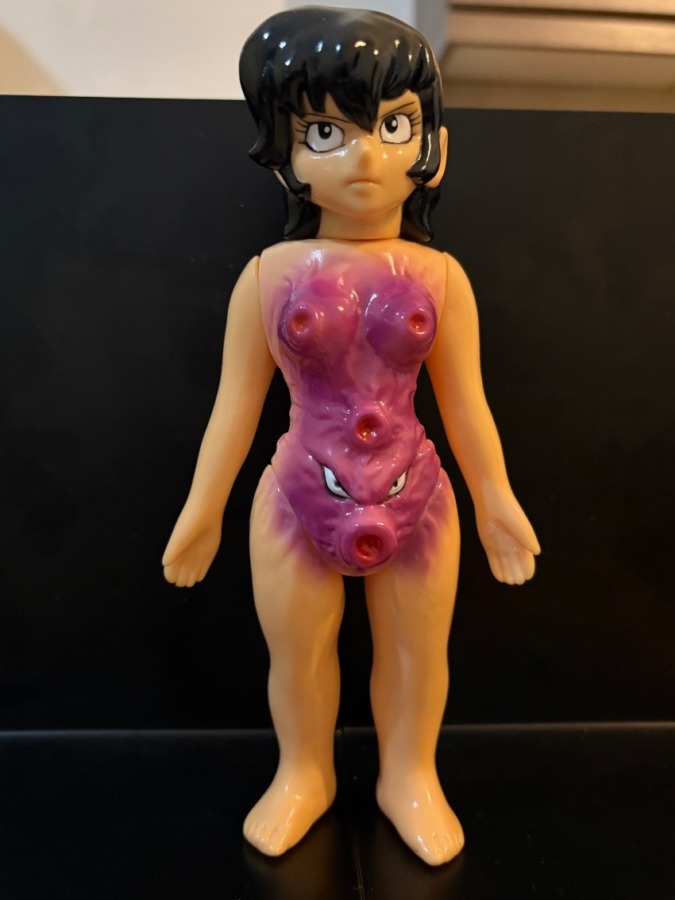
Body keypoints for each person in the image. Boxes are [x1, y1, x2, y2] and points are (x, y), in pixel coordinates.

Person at [162, 7, 540, 866]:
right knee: (297, 657)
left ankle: (410, 776)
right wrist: (201, 509)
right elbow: (234, 406)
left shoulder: (442, 278)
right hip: (297, 495)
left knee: (416, 657)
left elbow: (467, 403)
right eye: (326, 132)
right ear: (283, 154)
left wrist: (495, 499)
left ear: (432, 143)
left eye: (393, 126)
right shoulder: (266, 277)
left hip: (417, 496)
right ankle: (305, 773)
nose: (365, 156)